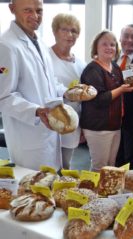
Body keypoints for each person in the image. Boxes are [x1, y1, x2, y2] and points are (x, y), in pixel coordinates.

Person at [0, 0, 66, 170]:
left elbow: (49, 82)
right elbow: (4, 97)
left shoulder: (39, 42)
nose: (35, 16)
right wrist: (36, 111)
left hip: (49, 133)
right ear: (12, 9)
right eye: (27, 10)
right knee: (32, 192)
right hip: (28, 138)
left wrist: (70, 92)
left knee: (50, 188)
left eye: (39, 10)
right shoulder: (6, 46)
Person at [80, 30, 133, 171]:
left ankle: (107, 193)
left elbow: (125, 85)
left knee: (110, 167)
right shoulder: (92, 70)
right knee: (100, 168)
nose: (109, 47)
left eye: (112, 44)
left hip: (114, 125)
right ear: (96, 47)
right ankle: (94, 193)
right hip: (98, 127)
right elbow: (98, 99)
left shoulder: (115, 67)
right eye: (104, 44)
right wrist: (121, 90)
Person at [50, 13, 86, 169]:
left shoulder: (81, 64)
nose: (70, 35)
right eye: (64, 30)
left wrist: (84, 126)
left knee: (65, 165)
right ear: (55, 31)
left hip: (72, 122)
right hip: (49, 119)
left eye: (74, 31)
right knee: (46, 166)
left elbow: (84, 96)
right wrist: (66, 92)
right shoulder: (45, 57)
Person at [115, 24, 133, 169]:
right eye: (126, 36)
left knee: (131, 155)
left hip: (132, 116)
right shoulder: (111, 58)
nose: (129, 40)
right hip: (112, 115)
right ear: (120, 38)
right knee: (115, 154)